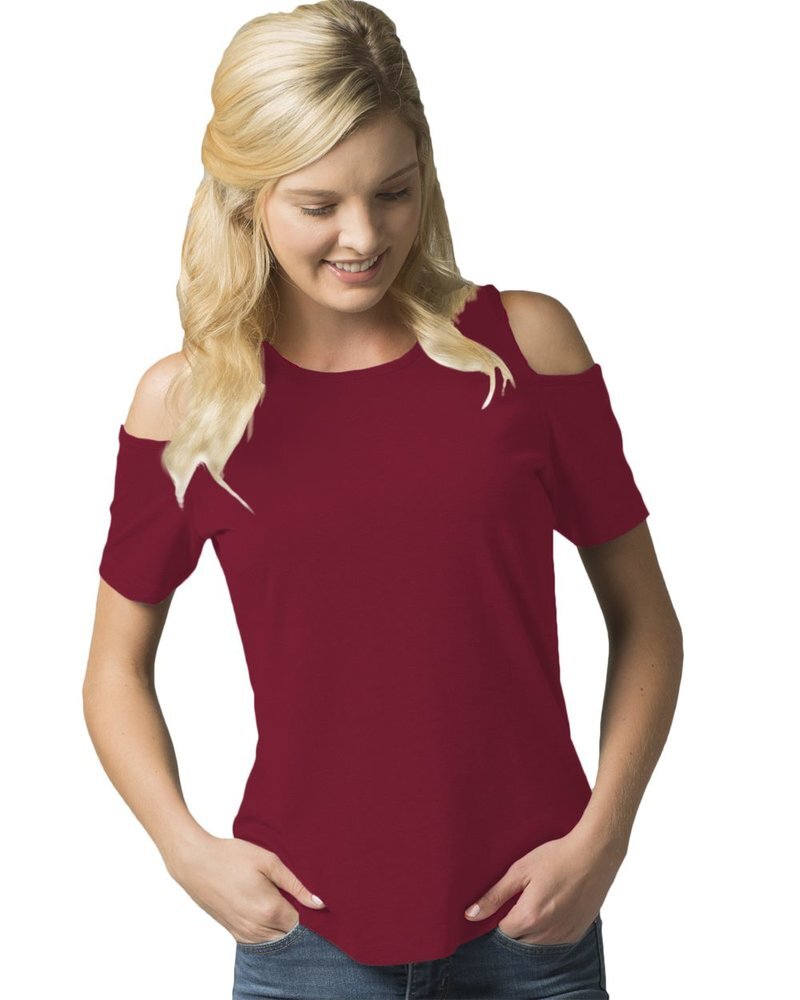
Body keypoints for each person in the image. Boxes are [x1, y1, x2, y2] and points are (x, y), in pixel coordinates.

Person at [83, 2, 683, 998]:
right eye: (318, 204)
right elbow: (113, 669)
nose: (362, 236)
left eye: (393, 193)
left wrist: (602, 838)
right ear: (246, 199)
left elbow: (646, 621)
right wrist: (185, 849)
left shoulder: (526, 347)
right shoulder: (186, 405)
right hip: (305, 938)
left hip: (533, 922)